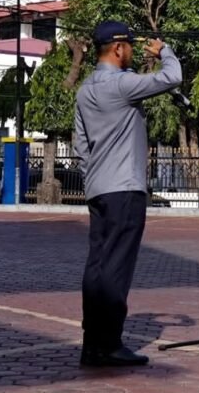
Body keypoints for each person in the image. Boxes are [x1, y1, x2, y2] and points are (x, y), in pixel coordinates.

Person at [75, 21, 182, 367]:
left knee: (97, 264)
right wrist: (164, 51)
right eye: (131, 46)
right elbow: (172, 77)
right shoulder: (121, 85)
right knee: (117, 267)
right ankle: (109, 344)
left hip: (98, 189)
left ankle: (93, 341)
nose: (134, 51)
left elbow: (80, 146)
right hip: (124, 187)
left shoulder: (85, 90)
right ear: (118, 48)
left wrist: (93, 175)